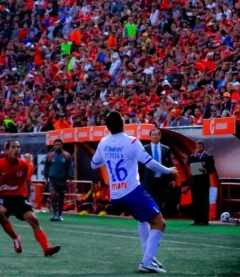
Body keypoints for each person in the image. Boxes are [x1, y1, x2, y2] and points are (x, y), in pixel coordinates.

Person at [91, 111, 177, 274]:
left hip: (115, 195)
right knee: (160, 223)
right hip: (131, 190)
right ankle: (146, 262)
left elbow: (94, 164)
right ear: (123, 123)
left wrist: (109, 157)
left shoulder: (103, 142)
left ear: (108, 127)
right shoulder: (132, 142)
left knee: (143, 220)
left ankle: (148, 256)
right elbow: (149, 163)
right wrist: (168, 170)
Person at [0, 139, 60, 258]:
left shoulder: (24, 166)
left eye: (18, 147)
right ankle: (15, 238)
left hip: (19, 197)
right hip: (4, 197)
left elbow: (24, 182)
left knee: (33, 218)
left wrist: (25, 196)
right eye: (13, 147)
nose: (16, 149)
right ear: (7, 150)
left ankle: (46, 248)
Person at [139, 128, 173, 210]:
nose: (155, 136)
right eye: (153, 135)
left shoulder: (166, 149)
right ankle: (150, 220)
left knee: (160, 202)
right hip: (148, 180)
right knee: (150, 202)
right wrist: (140, 180)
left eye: (157, 135)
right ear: (150, 137)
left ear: (160, 136)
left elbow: (170, 164)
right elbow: (140, 166)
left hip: (162, 180)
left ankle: (158, 221)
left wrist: (172, 179)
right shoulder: (144, 149)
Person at [44, 138, 74, 221]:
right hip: (53, 179)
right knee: (53, 195)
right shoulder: (50, 155)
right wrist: (46, 177)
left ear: (62, 145)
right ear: (54, 146)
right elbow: (46, 167)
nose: (57, 146)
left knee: (61, 197)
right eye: (56, 145)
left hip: (62, 180)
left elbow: (70, 167)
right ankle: (54, 214)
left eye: (59, 144)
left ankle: (59, 214)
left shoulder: (67, 155)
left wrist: (70, 178)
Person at [186, 140, 215, 226]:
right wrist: (194, 156)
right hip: (195, 182)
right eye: (197, 147)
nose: (199, 149)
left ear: (203, 147)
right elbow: (188, 163)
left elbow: (212, 169)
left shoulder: (209, 156)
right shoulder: (193, 156)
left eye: (200, 147)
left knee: (204, 201)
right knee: (196, 201)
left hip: (204, 182)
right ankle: (197, 220)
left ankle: (204, 220)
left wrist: (205, 169)